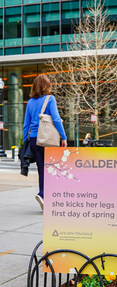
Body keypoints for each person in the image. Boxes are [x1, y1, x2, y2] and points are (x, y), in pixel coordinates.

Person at [23, 74, 67, 211]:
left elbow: (26, 124)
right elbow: (56, 119)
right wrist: (63, 137)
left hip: (35, 139)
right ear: (46, 86)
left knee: (42, 169)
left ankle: (44, 196)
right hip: (47, 139)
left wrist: (25, 141)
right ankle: (43, 194)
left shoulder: (30, 102)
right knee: (52, 169)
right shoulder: (50, 99)